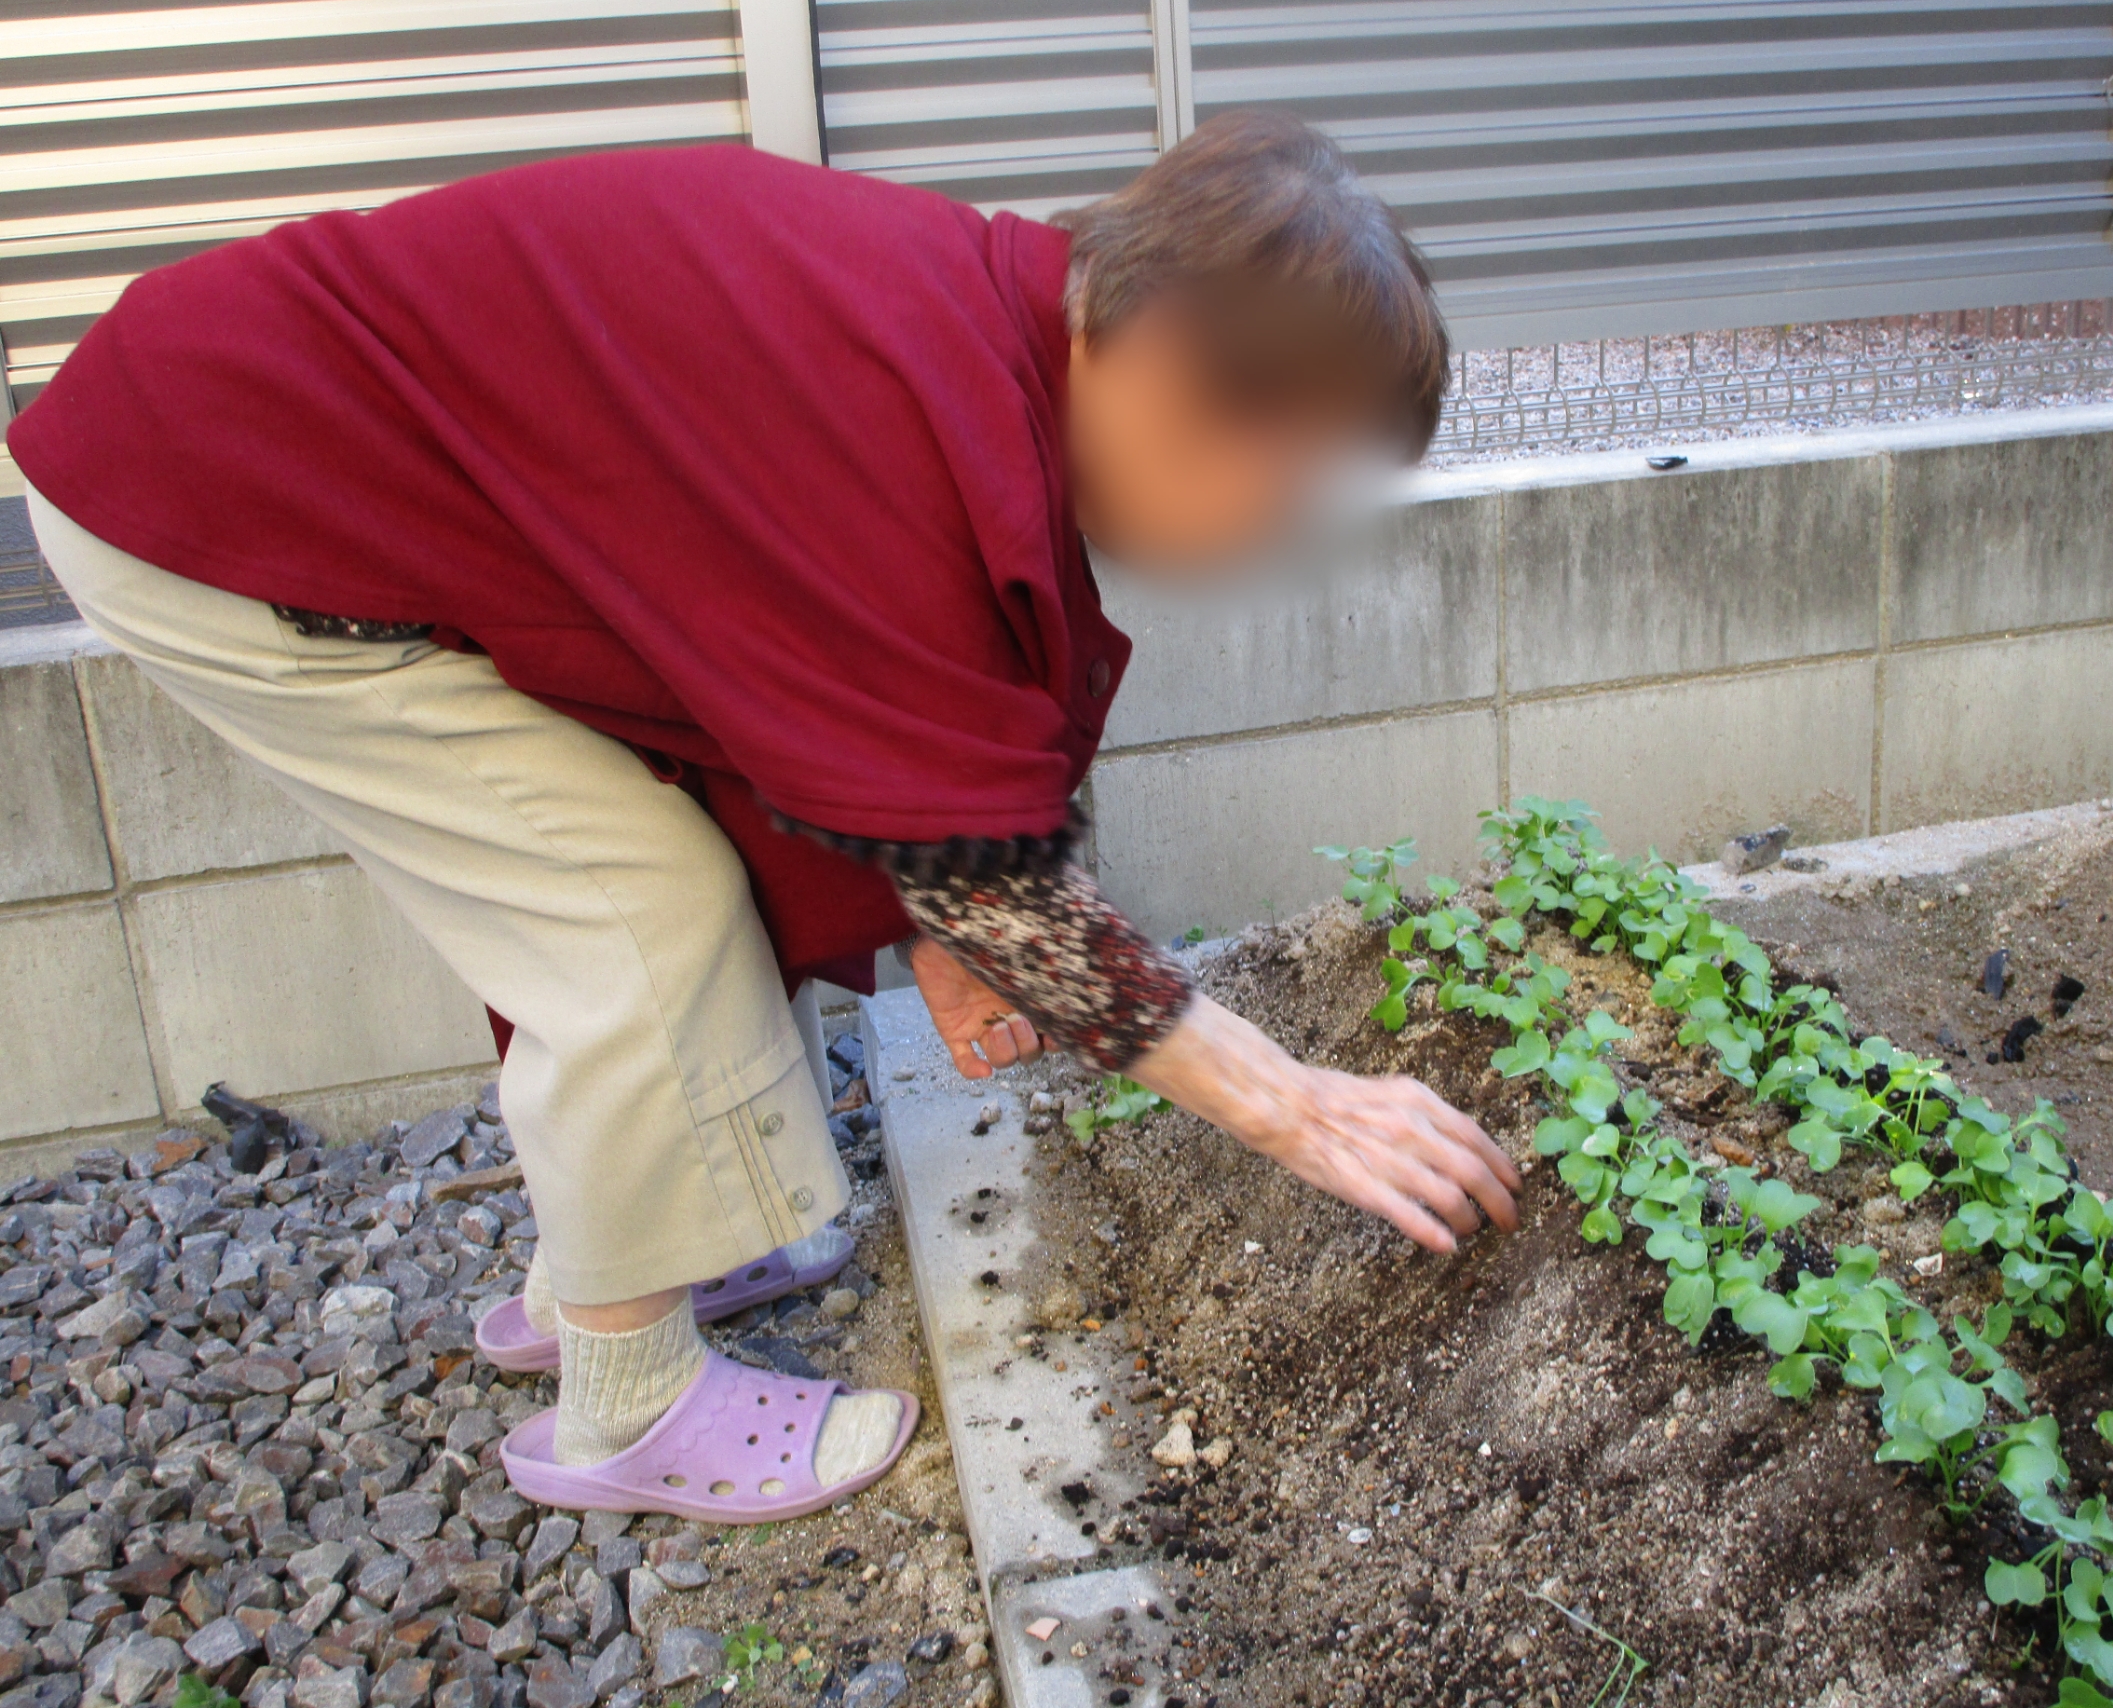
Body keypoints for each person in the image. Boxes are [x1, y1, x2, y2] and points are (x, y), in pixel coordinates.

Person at [11, 109, 1522, 1523]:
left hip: (273, 456)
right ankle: (627, 1402)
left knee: (682, 864)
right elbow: (979, 859)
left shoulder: (965, 341)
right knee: (629, 912)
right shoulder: (897, 399)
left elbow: (881, 746)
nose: (1273, 533)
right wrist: (1293, 1102)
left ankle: (633, 1254)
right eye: (1286, 483)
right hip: (227, 498)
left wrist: (947, 917)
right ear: (1176, 372)